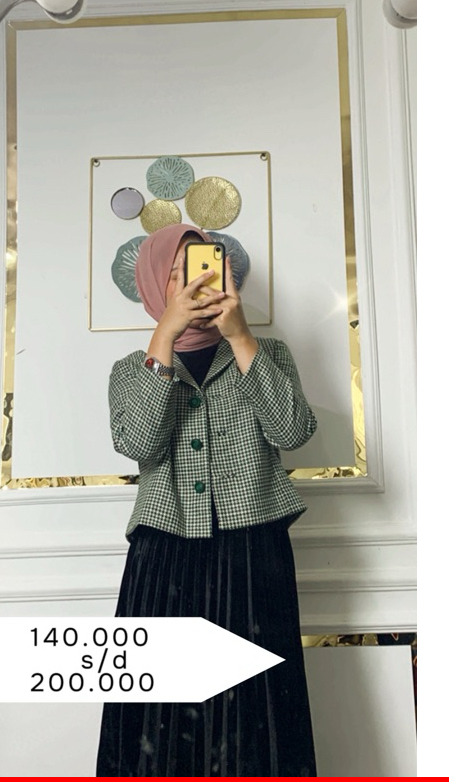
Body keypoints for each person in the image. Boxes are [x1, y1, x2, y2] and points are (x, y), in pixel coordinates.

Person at [96, 223, 319, 777]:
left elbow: (292, 431)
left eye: (200, 268)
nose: (191, 284)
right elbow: (138, 442)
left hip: (254, 550)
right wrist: (164, 337)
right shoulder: (131, 370)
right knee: (159, 713)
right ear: (154, 286)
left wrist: (241, 337)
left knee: (258, 709)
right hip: (163, 553)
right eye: (175, 275)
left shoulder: (267, 354)